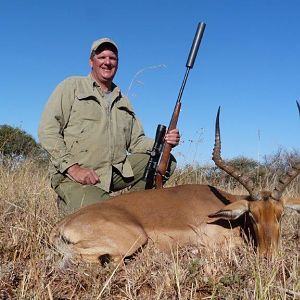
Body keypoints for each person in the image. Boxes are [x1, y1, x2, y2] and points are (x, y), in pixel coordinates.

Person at [38, 38, 180, 213]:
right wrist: (73, 168)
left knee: (164, 162)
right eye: (102, 57)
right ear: (91, 61)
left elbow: (137, 142)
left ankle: (136, 208)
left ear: (117, 64)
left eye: (112, 58)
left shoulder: (123, 100)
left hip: (111, 174)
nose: (107, 62)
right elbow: (48, 130)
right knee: (107, 215)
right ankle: (74, 201)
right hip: (73, 176)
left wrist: (164, 143)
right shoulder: (72, 86)